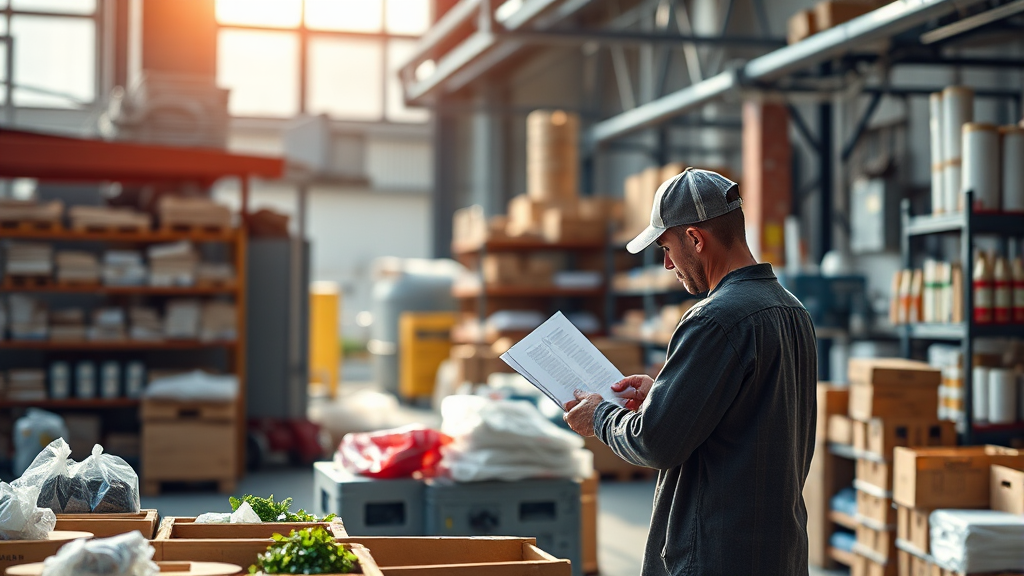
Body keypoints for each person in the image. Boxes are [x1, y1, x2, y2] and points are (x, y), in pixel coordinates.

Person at [564, 168, 817, 576]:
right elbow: (749, 413)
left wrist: (600, 415)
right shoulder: (792, 310)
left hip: (716, 555)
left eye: (666, 247)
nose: (666, 264)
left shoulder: (714, 320)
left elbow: (655, 442)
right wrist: (664, 393)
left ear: (696, 239)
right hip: (779, 551)